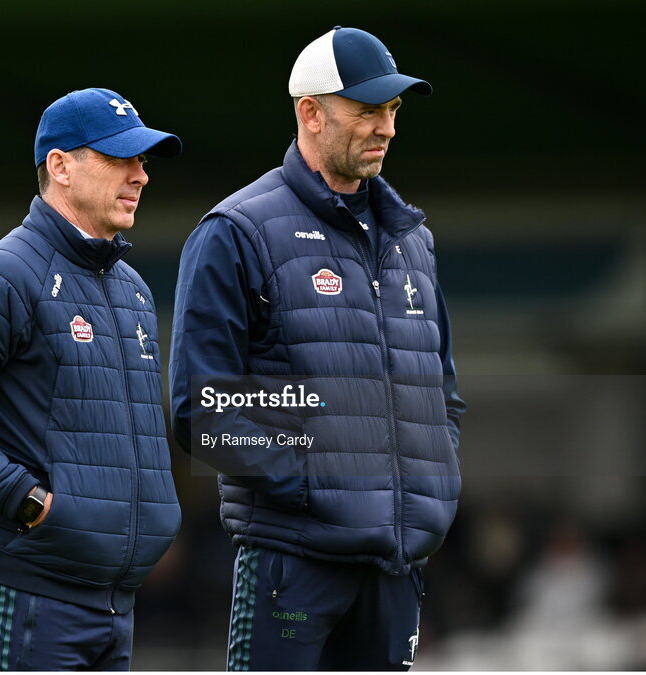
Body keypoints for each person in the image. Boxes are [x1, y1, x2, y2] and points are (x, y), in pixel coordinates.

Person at [170, 27, 466, 670]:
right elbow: (203, 410)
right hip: (293, 562)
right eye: (366, 111)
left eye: (392, 110)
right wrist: (310, 482)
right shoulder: (236, 232)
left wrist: (430, 483)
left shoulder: (413, 240)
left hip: (395, 568)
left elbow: (442, 393)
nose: (386, 127)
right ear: (311, 112)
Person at [0, 87, 182, 671]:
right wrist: (29, 503)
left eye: (143, 162)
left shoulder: (131, 289)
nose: (140, 176)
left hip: (114, 601)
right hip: (30, 585)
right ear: (61, 167)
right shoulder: (0, 276)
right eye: (119, 159)